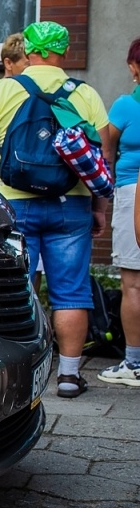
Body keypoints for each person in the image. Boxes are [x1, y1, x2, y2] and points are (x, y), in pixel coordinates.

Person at [0, 20, 109, 398]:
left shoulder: (3, 88)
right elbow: (101, 158)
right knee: (72, 291)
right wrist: (99, 208)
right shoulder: (86, 94)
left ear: (29, 50)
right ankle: (67, 375)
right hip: (72, 204)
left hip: (13, 206)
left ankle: (17, 375)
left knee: (14, 288)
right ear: (62, 51)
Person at [98, 37, 140, 386]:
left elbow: (105, 151)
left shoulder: (126, 106)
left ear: (133, 67)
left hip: (132, 191)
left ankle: (134, 363)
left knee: (133, 282)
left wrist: (100, 200)